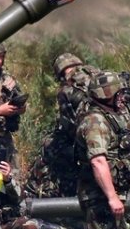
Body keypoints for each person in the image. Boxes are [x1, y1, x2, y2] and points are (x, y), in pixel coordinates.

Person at [75, 71, 130, 229]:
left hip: (111, 193)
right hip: (98, 196)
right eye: (118, 92)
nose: (122, 96)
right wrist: (112, 197)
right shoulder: (95, 121)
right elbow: (98, 161)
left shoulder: (113, 115)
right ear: (107, 94)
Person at [25, 53, 93, 199]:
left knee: (50, 148)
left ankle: (43, 195)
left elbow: (70, 126)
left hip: (87, 140)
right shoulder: (99, 76)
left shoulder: (67, 90)